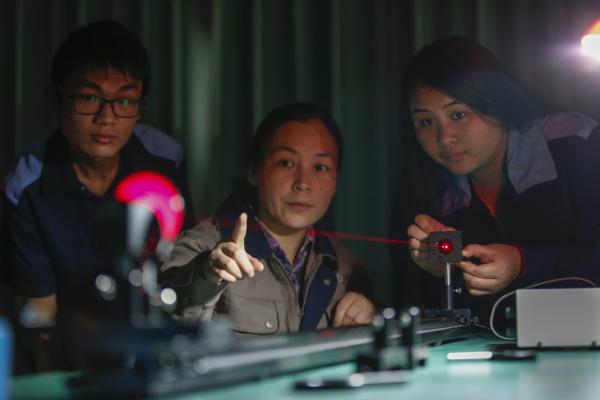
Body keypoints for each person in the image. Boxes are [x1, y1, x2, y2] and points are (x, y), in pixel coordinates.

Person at [389, 36, 600, 325]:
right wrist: (440, 271)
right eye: (426, 121)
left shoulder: (578, 145)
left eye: (458, 114)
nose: (444, 138)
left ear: (497, 101)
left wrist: (521, 262)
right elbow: (417, 306)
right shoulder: (425, 184)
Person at [1, 20, 195, 330]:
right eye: (89, 98)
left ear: (142, 103)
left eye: (125, 101)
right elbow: (41, 308)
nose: (106, 118)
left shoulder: (164, 159)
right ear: (54, 98)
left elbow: (183, 265)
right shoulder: (26, 183)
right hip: (72, 338)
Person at [159, 103, 375, 334]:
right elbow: (163, 325)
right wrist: (205, 277)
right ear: (253, 171)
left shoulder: (348, 267)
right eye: (286, 163)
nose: (303, 183)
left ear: (336, 180)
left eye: (320, 167)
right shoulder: (201, 247)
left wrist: (371, 315)